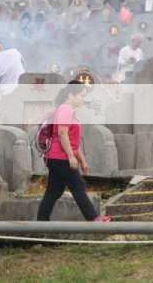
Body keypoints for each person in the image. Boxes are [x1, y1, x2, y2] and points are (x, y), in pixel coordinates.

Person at [37, 81, 111, 222]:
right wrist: (71, 157)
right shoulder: (66, 109)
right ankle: (93, 218)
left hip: (56, 157)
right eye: (81, 96)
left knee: (54, 191)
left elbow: (73, 142)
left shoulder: (65, 110)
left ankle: (41, 222)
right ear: (71, 95)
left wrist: (82, 160)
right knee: (78, 186)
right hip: (60, 157)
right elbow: (62, 133)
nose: (83, 99)